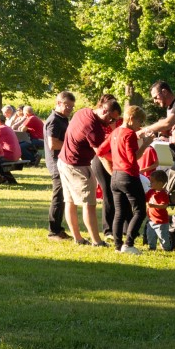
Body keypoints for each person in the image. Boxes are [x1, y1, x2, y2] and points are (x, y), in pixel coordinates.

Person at [58, 93, 119, 247]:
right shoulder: (93, 128)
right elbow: (103, 155)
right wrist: (115, 173)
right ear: (104, 110)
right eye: (112, 119)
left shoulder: (84, 111)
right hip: (78, 166)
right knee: (89, 203)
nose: (112, 123)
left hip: (64, 161)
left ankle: (78, 238)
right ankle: (96, 241)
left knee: (70, 201)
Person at [104, 104, 159, 254]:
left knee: (119, 212)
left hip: (115, 176)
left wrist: (116, 159)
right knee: (140, 211)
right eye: (140, 121)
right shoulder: (129, 134)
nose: (140, 125)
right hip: (129, 176)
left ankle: (117, 246)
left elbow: (101, 150)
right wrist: (146, 144)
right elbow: (133, 159)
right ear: (131, 118)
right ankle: (128, 244)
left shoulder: (115, 131)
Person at [43, 91, 74, 239]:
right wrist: (71, 146)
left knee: (62, 197)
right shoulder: (54, 120)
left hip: (62, 161)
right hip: (56, 163)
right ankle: (53, 231)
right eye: (67, 106)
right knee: (58, 197)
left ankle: (58, 229)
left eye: (71, 107)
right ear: (58, 103)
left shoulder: (62, 118)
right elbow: (53, 144)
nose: (69, 109)